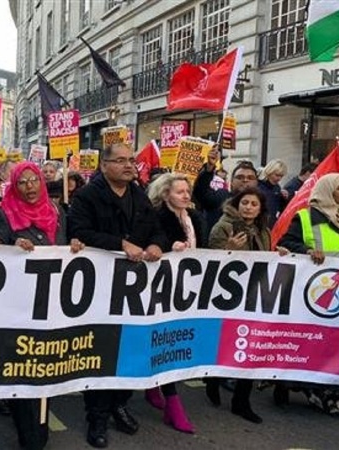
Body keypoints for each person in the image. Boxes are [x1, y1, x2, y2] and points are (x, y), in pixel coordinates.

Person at [67, 143, 167, 448]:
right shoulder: (87, 196)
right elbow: (80, 231)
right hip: (99, 287)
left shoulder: (140, 195)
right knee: (101, 350)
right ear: (104, 165)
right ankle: (96, 416)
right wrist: (120, 243)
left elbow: (157, 229)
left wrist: (157, 245)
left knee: (130, 347)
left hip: (134, 287)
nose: (128, 166)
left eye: (131, 161)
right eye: (121, 161)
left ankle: (118, 403)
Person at [0, 161, 84, 450]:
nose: (29, 187)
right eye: (22, 182)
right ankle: (30, 435)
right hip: (19, 307)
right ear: (13, 186)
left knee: (45, 368)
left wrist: (75, 246)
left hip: (52, 305)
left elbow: (65, 247)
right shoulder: (4, 214)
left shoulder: (57, 212)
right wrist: (11, 246)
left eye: (33, 181)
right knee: (23, 369)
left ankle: (37, 428)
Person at [277, 174, 339, 414]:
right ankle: (299, 387)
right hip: (315, 293)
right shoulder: (305, 218)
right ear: (327, 191)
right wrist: (309, 250)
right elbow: (287, 243)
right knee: (310, 339)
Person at [145, 173, 207, 434]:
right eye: (179, 191)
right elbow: (150, 241)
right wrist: (168, 245)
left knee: (177, 341)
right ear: (165, 194)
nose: (185, 195)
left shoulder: (193, 218)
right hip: (161, 288)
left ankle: (153, 387)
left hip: (188, 289)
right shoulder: (158, 216)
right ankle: (174, 404)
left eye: (187, 190)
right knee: (167, 342)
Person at [206, 187, 272, 424]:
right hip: (227, 297)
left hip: (253, 296)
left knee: (251, 348)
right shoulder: (223, 227)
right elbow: (209, 263)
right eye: (245, 202)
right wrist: (228, 249)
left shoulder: (264, 231)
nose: (249, 207)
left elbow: (266, 259)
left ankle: (241, 402)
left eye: (254, 204)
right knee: (226, 343)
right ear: (237, 203)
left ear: (260, 208)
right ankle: (213, 379)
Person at [193, 148, 258, 234]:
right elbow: (201, 192)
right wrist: (209, 169)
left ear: (257, 182)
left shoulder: (262, 204)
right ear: (231, 182)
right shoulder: (220, 197)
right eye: (240, 177)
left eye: (250, 178)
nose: (245, 180)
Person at [258, 159, 288, 227]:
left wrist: (284, 198)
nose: (279, 179)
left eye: (281, 176)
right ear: (269, 172)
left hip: (272, 224)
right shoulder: (258, 186)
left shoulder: (277, 187)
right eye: (277, 175)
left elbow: (280, 208)